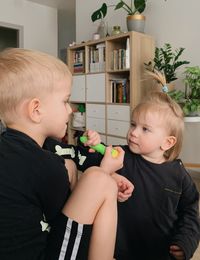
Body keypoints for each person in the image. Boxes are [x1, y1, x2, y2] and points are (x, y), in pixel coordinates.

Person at [0, 48, 134, 260]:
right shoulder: (43, 164)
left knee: (70, 166)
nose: (71, 110)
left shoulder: (13, 149)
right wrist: (106, 171)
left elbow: (70, 163)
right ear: (36, 110)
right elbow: (71, 218)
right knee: (99, 181)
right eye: (65, 101)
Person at [47, 92, 200, 260]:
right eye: (133, 124)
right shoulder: (119, 155)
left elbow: (190, 211)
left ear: (167, 142)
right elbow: (87, 161)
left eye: (145, 129)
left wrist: (186, 241)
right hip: (118, 251)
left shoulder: (178, 174)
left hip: (158, 252)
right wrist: (90, 144)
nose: (133, 132)